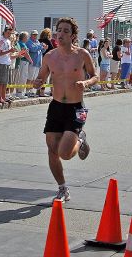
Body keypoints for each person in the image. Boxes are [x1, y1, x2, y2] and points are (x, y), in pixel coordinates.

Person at [34, 17, 98, 203]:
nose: (60, 34)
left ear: (73, 35)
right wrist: (37, 83)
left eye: (65, 31)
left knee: (65, 153)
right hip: (56, 107)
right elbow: (41, 78)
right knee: (52, 151)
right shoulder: (49, 56)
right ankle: (62, 188)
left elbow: (95, 76)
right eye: (59, 30)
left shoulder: (82, 54)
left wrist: (86, 82)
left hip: (76, 107)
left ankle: (80, 138)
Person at [26, 30, 47, 97]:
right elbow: (33, 49)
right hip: (32, 62)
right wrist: (41, 46)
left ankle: (31, 91)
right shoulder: (29, 42)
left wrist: (45, 48)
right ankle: (27, 91)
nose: (35, 36)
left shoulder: (37, 41)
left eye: (36, 35)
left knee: (34, 78)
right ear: (31, 35)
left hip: (38, 63)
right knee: (30, 77)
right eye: (34, 34)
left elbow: (41, 50)